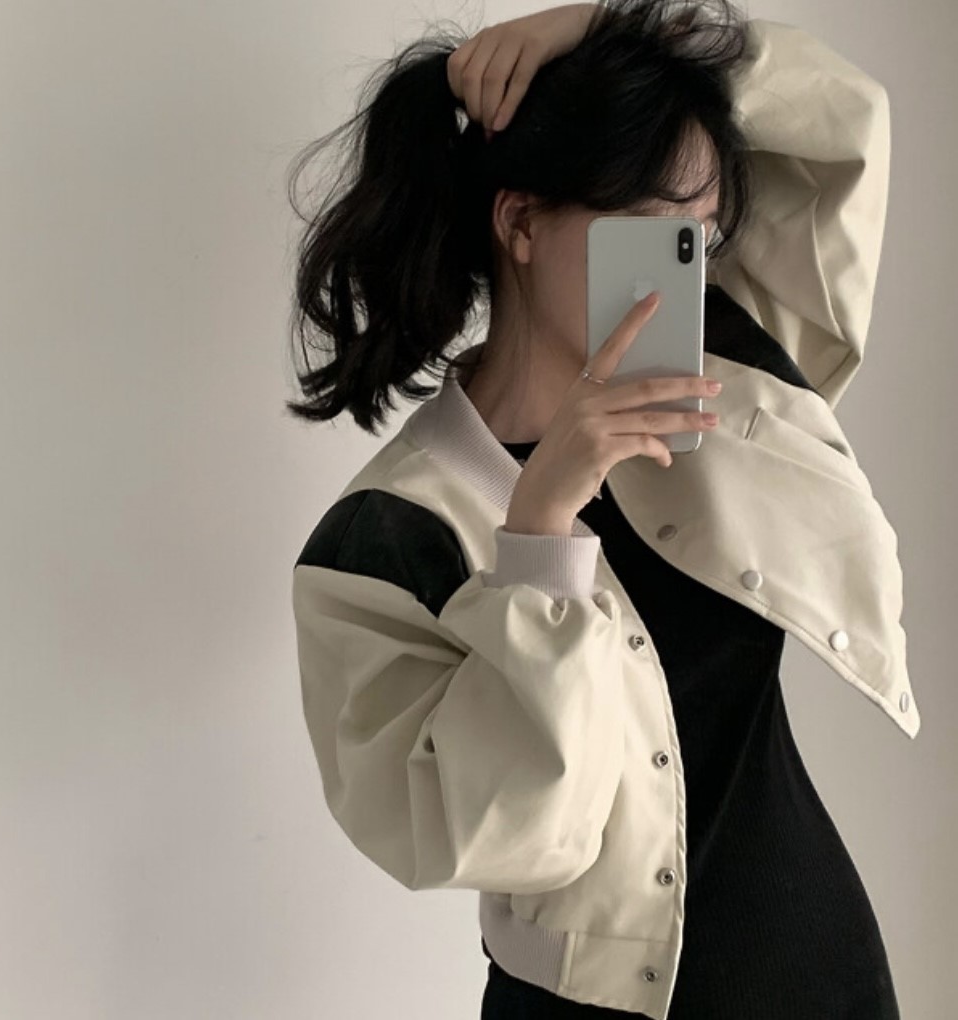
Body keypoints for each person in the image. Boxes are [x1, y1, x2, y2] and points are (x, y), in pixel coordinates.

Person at [286, 1, 918, 1016]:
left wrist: (609, 24)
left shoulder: (730, 382)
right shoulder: (383, 542)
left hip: (826, 978)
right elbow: (497, 834)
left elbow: (844, 120)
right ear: (520, 224)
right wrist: (538, 539)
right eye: (656, 231)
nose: (688, 267)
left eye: (702, 235)